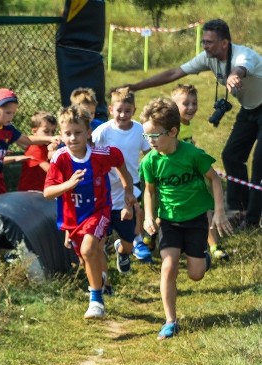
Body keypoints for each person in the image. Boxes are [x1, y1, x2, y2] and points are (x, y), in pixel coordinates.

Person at [122, 19, 262, 228]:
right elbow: (173, 73)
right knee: (231, 155)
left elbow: (241, 68)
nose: (204, 46)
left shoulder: (244, 55)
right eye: (203, 41)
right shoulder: (208, 58)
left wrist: (234, 75)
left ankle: (252, 219)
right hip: (250, 109)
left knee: (260, 163)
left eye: (209, 42)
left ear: (224, 43)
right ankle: (238, 209)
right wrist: (135, 86)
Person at [139, 98, 232, 340]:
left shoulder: (192, 155)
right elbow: (149, 191)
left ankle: (203, 259)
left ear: (172, 132)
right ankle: (170, 321)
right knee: (168, 267)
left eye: (155, 136)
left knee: (195, 274)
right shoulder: (150, 161)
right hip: (169, 221)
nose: (150, 142)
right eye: (146, 136)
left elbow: (214, 179)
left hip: (196, 219)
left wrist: (219, 210)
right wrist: (149, 215)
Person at [44, 106, 135, 320]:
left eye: (78, 133)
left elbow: (121, 164)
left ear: (88, 134)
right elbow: (48, 192)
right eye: (68, 133)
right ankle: (100, 281)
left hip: (99, 211)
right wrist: (68, 184)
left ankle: (96, 301)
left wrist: (128, 192)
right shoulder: (60, 158)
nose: (73, 138)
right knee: (86, 259)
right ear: (61, 134)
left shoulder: (102, 155)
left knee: (88, 249)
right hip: (72, 219)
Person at [91, 88, 152, 276]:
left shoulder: (139, 129)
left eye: (127, 110)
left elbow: (148, 152)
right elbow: (90, 153)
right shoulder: (102, 131)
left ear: (134, 110)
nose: (123, 114)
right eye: (119, 110)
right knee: (101, 237)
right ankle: (102, 279)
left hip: (131, 185)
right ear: (110, 109)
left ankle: (123, 249)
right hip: (105, 187)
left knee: (129, 236)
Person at [170, 84, 229, 261]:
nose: (191, 107)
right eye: (185, 103)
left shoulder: (186, 124)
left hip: (194, 177)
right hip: (176, 179)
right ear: (173, 106)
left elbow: (188, 147)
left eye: (194, 103)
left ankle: (214, 246)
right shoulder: (172, 125)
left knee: (205, 209)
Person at [17, 111, 58, 192]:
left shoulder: (46, 146)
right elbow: (50, 170)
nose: (50, 135)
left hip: (42, 190)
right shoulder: (35, 148)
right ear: (34, 131)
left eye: (53, 132)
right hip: (30, 192)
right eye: (46, 131)